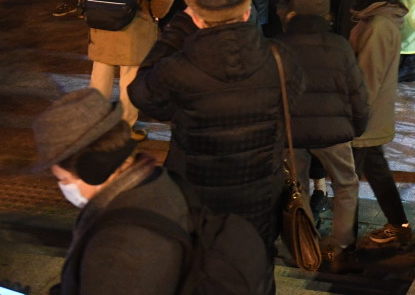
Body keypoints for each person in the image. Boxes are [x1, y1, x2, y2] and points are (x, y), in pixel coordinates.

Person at [129, 0, 305, 251]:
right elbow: (292, 104)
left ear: (197, 18)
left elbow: (142, 94)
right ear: (247, 14)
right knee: (253, 266)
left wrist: (177, 29)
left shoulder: (178, 68)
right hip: (260, 194)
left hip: (196, 195)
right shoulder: (280, 58)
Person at [33, 88, 270, 295]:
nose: (63, 187)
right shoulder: (159, 180)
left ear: (93, 168)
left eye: (63, 179)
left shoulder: (118, 249)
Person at [278, 0, 369, 272]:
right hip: (333, 132)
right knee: (346, 183)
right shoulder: (338, 45)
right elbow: (357, 92)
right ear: (325, 13)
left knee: (297, 186)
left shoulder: (279, 46)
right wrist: (358, 125)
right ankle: (341, 245)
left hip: (291, 133)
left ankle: (302, 247)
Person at [78, 0, 174, 137]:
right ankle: (124, 128)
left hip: (101, 26)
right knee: (129, 80)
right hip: (134, 31)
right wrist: (155, 15)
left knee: (100, 77)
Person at [346, 0, 414, 249]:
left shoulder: (378, 25)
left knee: (347, 180)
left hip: (365, 117)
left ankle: (344, 241)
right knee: (374, 169)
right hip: (370, 115)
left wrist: (352, 117)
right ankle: (399, 225)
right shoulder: (376, 19)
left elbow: (367, 80)